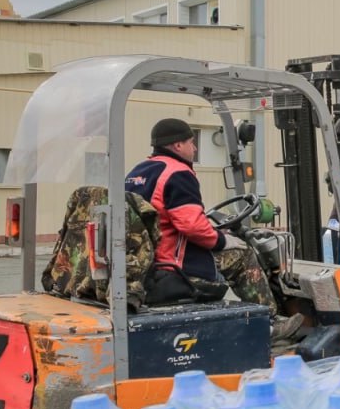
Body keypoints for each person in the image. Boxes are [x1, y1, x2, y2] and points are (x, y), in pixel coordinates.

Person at [126, 118, 304, 342]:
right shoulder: (178, 173)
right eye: (192, 142)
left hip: (147, 263)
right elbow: (191, 226)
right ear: (177, 145)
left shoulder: (138, 172)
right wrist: (222, 241)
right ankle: (267, 324)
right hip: (173, 265)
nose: (195, 147)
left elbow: (169, 220)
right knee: (243, 255)